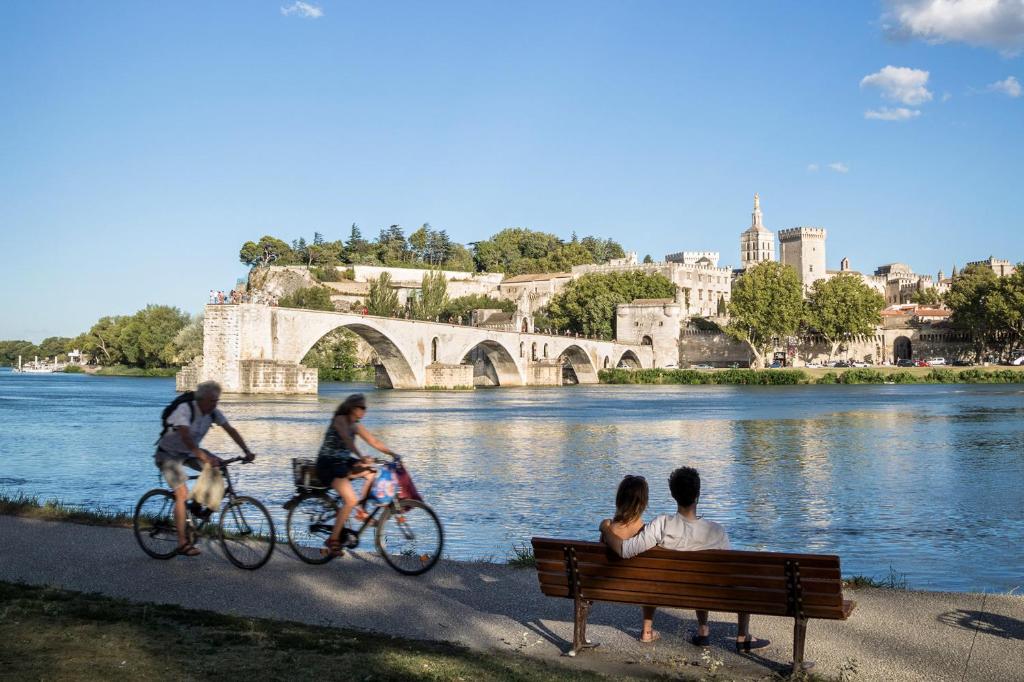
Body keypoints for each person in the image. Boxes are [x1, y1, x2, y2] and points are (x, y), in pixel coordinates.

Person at [599, 467, 769, 652]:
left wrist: (606, 528)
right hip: (707, 591)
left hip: (670, 591)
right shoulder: (716, 531)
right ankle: (742, 636)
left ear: (673, 495)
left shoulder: (661, 524)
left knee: (699, 577)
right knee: (739, 580)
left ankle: (704, 630)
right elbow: (728, 573)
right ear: (698, 494)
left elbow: (625, 550)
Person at [154, 381, 255, 557]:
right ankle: (182, 543)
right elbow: (185, 436)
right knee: (182, 493)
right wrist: (202, 456)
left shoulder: (213, 413)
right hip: (168, 454)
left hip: (189, 453)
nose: (215, 404)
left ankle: (197, 506)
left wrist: (246, 451)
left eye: (216, 401)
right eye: (211, 401)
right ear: (201, 399)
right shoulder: (186, 409)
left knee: (217, 467)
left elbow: (230, 430)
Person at [316, 393, 397, 556]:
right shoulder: (340, 419)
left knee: (371, 473)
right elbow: (347, 440)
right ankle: (333, 541)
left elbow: (374, 441)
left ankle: (361, 511)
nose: (364, 411)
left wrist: (393, 454)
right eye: (362, 408)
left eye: (365, 408)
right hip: (328, 464)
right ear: (352, 408)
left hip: (343, 462)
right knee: (350, 500)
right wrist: (361, 457)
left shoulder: (356, 425)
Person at [605, 475, 659, 643]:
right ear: (644, 503)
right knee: (651, 582)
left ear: (619, 499)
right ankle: (647, 630)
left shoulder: (608, 529)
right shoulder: (648, 533)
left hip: (607, 586)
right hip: (642, 588)